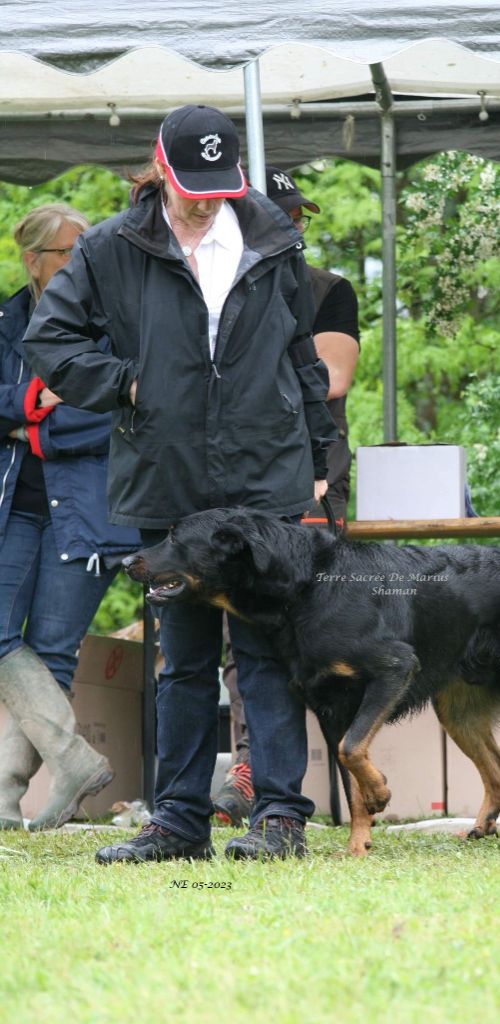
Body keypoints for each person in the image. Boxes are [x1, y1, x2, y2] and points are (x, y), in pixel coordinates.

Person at [24, 105, 337, 862]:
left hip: (265, 475)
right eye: (191, 184)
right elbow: (50, 341)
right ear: (160, 170)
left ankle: (280, 816)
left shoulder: (271, 237)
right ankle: (178, 821)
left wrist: (325, 454)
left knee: (265, 651)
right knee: (185, 658)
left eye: (218, 185)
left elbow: (301, 352)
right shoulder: (109, 247)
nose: (204, 199)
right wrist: (128, 384)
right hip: (168, 478)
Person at [213, 166, 360, 826]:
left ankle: (350, 776)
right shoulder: (210, 288)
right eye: (286, 216)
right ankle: (253, 770)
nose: (296, 226)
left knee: (325, 632)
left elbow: (330, 377)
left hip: (312, 480)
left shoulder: (328, 289)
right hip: (234, 480)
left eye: (301, 217)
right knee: (245, 634)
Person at [0, 203, 140, 831]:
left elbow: (110, 410)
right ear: (35, 261)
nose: (85, 259)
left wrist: (25, 428)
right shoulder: (6, 319)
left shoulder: (111, 319)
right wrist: (32, 400)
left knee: (53, 649)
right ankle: (73, 758)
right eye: (70, 251)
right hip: (15, 505)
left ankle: (4, 799)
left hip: (85, 507)